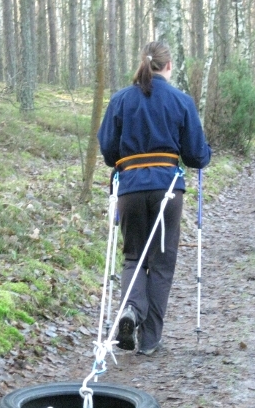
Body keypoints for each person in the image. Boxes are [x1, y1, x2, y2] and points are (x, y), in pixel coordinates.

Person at [97, 40, 211, 355]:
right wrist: (206, 154)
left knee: (134, 257)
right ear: (169, 66)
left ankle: (131, 310)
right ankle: (149, 341)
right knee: (161, 263)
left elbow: (108, 152)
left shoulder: (120, 100)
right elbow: (195, 156)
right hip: (168, 191)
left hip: (131, 189)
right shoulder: (181, 101)